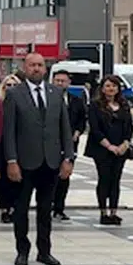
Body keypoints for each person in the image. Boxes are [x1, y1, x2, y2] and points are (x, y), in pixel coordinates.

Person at [3, 53, 75, 265]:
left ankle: (45, 251)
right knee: (22, 209)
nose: (36, 68)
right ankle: (22, 250)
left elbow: (65, 129)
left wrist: (68, 158)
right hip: (24, 162)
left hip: (50, 161)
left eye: (40, 65)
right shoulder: (15, 94)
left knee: (45, 210)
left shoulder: (55, 93)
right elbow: (9, 132)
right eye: (32, 65)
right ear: (25, 68)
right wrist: (11, 160)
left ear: (46, 68)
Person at [86, 74, 133, 226]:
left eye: (114, 86)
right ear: (102, 88)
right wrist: (109, 146)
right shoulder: (95, 105)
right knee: (104, 179)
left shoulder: (124, 105)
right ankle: (103, 212)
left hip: (120, 149)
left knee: (116, 180)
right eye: (108, 85)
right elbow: (95, 129)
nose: (111, 89)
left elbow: (129, 128)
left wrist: (124, 145)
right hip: (102, 149)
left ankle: (114, 211)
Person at [51, 69, 88, 223]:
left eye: (63, 81)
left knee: (65, 176)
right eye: (57, 80)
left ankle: (60, 208)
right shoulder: (48, 99)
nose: (60, 83)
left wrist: (78, 132)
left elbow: (82, 119)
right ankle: (49, 205)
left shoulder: (76, 100)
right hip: (51, 144)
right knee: (50, 177)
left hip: (70, 144)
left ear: (69, 83)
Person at [0, 75, 21, 224]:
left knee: (18, 179)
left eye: (14, 85)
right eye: (7, 86)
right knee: (4, 179)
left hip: (20, 145)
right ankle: (5, 208)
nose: (11, 89)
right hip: (2, 144)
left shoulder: (23, 104)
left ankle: (15, 207)